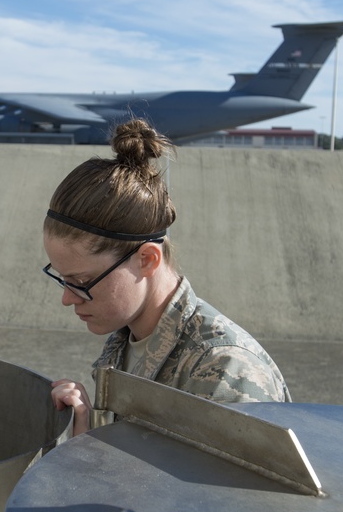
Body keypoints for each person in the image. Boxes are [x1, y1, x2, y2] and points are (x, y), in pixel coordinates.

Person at [44, 117, 290, 436]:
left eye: (81, 282)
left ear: (147, 259)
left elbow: (222, 488)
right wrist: (86, 435)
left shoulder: (224, 369)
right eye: (63, 279)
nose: (67, 298)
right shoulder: (123, 344)